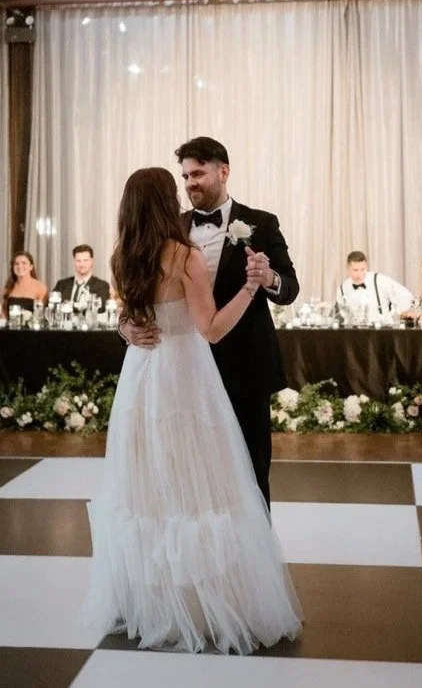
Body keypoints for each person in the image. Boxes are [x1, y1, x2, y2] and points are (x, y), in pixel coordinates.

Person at [86, 166, 302, 655]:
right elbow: (212, 328)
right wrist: (248, 289)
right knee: (201, 483)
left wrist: (125, 330)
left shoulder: (124, 255)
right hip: (185, 375)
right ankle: (204, 599)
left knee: (150, 485)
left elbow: (130, 316)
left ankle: (153, 599)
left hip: (141, 379)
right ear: (166, 201)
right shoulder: (183, 255)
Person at [120, 136, 299, 507]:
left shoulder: (262, 223)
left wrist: (267, 279)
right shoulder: (170, 228)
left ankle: (253, 560)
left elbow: (290, 287)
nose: (190, 184)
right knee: (185, 474)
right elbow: (138, 293)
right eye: (184, 176)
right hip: (183, 373)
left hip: (243, 367)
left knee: (250, 472)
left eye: (198, 174)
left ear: (224, 171)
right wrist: (125, 327)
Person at [338, 250, 413, 321]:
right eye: (355, 270)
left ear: (366, 267)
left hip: (383, 329)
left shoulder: (378, 279)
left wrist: (399, 313)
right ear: (347, 268)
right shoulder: (342, 288)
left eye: (362, 269)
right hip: (356, 331)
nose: (359, 274)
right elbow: (343, 313)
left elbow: (404, 295)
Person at [52, 244, 112, 309]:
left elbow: (102, 308)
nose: (82, 264)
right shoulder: (61, 284)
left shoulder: (102, 285)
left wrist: (70, 305)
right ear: (74, 261)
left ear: (92, 261)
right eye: (78, 261)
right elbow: (52, 305)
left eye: (85, 260)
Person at [1, 251, 48, 316]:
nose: (20, 266)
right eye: (16, 264)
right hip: (10, 325)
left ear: (31, 267)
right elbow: (3, 313)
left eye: (24, 263)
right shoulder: (8, 287)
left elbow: (42, 314)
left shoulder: (40, 287)